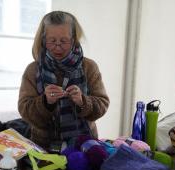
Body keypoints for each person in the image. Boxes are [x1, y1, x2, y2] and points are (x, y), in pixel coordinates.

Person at [18, 11, 109, 153]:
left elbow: (102, 104)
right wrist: (46, 102)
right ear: (43, 40)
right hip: (43, 149)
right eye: (52, 41)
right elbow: (25, 110)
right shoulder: (33, 70)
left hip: (85, 147)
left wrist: (82, 101)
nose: (58, 47)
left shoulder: (89, 67)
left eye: (64, 41)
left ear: (73, 39)